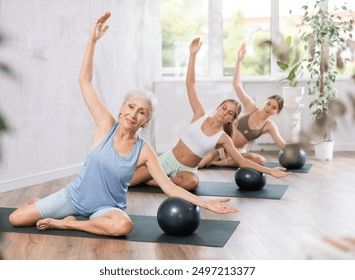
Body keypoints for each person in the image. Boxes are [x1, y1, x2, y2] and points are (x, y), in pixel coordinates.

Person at [8, 12, 238, 237]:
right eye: (130, 107)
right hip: (73, 196)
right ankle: (54, 207)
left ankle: (68, 224)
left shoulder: (144, 151)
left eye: (141, 112)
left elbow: (170, 187)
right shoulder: (105, 125)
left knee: (122, 226)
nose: (132, 114)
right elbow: (84, 81)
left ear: (145, 121)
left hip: (105, 209)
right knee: (15, 219)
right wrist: (92, 41)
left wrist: (206, 204)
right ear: (121, 108)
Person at [130, 38, 290, 192]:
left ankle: (157, 182)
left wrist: (270, 171)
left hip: (187, 170)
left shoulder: (223, 138)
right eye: (224, 108)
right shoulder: (200, 114)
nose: (225, 113)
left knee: (192, 182)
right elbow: (190, 84)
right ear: (218, 108)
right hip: (167, 160)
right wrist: (192, 55)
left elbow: (241, 161)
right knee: (130, 183)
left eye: (230, 113)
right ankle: (159, 178)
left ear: (232, 119)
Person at [199, 43, 287, 168]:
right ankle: (220, 160)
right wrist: (239, 60)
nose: (269, 108)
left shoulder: (269, 126)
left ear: (276, 112)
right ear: (265, 102)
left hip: (238, 152)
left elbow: (282, 144)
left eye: (274, 108)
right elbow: (236, 84)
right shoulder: (250, 106)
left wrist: (299, 149)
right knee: (200, 164)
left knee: (260, 160)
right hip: (223, 146)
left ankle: (223, 163)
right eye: (269, 104)